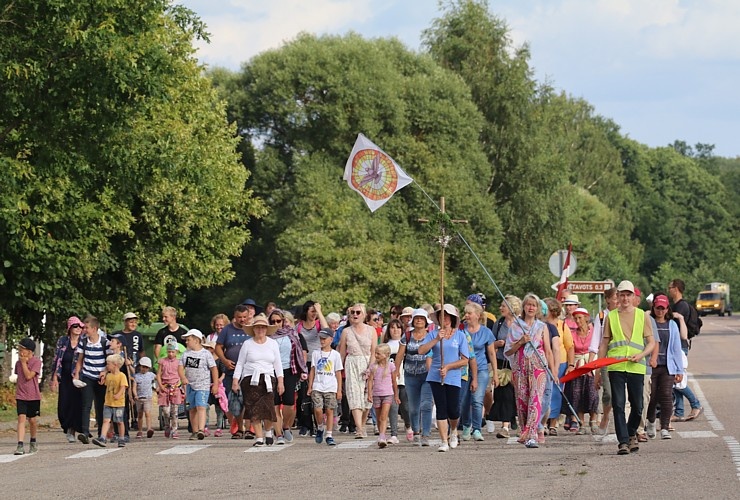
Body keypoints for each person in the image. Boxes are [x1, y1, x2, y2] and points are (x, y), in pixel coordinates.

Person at [596, 280, 656, 455]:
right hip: (616, 366)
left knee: (638, 406)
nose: (625, 298)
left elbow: (651, 342)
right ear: (617, 297)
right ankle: (623, 441)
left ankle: (630, 434)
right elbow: (604, 343)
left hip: (636, 365)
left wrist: (642, 355)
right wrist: (598, 370)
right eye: (621, 295)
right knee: (619, 404)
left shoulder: (642, 315)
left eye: (628, 295)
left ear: (633, 297)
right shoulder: (611, 316)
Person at [419, 304, 470, 452]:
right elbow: (422, 350)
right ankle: (443, 440)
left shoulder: (460, 335)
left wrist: (448, 367)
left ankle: (453, 431)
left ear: (453, 318)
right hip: (435, 375)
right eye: (442, 316)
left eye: (447, 316)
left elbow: (465, 359)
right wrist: (436, 339)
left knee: (453, 409)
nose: (445, 319)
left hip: (453, 376)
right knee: (441, 408)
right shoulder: (433, 334)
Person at [505, 293, 553, 448]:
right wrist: (521, 342)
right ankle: (525, 431)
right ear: (524, 307)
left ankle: (532, 434)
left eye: (534, 305)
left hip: (538, 366)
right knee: (523, 401)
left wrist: (553, 370)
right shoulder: (516, 326)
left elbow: (548, 350)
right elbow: (508, 351)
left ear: (537, 308)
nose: (531, 307)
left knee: (536, 400)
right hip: (520, 368)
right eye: (528, 304)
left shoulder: (542, 327)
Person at [232, 314, 285, 447]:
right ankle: (259, 437)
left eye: (262, 327)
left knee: (268, 408)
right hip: (250, 379)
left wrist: (280, 381)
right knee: (254, 409)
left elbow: (278, 364)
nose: (260, 330)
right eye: (257, 327)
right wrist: (235, 380)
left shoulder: (272, 344)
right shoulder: (247, 344)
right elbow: (240, 363)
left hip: (268, 378)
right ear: (253, 329)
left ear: (266, 329)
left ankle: (268, 431)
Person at [646, 294, 686, 439]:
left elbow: (676, 349)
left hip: (668, 367)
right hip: (651, 365)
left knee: (666, 396)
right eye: (658, 308)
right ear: (653, 307)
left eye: (663, 308)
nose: (660, 311)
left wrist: (679, 369)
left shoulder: (672, 325)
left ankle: (664, 427)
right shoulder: (649, 322)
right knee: (652, 397)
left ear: (667, 308)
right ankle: (650, 422)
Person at [459, 301, 498, 442]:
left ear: (477, 315)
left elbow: (492, 353)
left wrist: (495, 372)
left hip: (481, 368)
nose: (466, 316)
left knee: (476, 399)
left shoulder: (486, 332)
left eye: (469, 313)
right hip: (463, 369)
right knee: (464, 400)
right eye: (466, 313)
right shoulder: (461, 330)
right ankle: (465, 426)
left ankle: (477, 429)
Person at [395, 308, 434, 446]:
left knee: (426, 404)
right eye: (417, 318)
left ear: (426, 322)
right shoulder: (407, 335)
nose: (419, 320)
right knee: (413, 407)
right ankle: (416, 431)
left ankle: (426, 434)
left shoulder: (431, 335)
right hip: (410, 374)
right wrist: (397, 370)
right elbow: (400, 354)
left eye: (422, 318)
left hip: (427, 374)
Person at [268, 308, 308, 444]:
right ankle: (278, 434)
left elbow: (300, 352)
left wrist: (303, 369)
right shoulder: (267, 337)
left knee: (289, 403)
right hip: (271, 371)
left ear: (283, 321)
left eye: (278, 321)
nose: (275, 323)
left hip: (289, 370)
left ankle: (286, 426)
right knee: (274, 403)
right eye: (272, 321)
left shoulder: (291, 334)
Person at [338, 303, 377, 439]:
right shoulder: (346, 332)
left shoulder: (371, 330)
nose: (355, 315)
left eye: (358, 312)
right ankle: (359, 428)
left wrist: (370, 368)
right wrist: (338, 372)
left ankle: (362, 423)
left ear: (364, 315)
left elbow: (374, 352)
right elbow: (342, 354)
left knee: (367, 398)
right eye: (353, 312)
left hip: (367, 362)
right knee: (354, 395)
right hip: (352, 363)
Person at [668, 279, 704, 421]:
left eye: (670, 287)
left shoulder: (680, 307)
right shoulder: (678, 305)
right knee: (675, 379)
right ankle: (679, 412)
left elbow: (676, 329)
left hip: (679, 346)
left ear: (676, 289)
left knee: (677, 379)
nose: (669, 289)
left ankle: (696, 404)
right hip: (678, 345)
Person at [215, 304, 251, 438]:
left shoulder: (251, 329)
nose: (242, 320)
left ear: (248, 317)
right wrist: (224, 360)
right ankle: (239, 428)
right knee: (234, 402)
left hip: (248, 371)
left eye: (244, 317)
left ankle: (249, 429)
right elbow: (218, 347)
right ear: (234, 317)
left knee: (249, 400)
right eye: (239, 317)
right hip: (231, 371)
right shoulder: (227, 330)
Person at [295, 301, 329, 436]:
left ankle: (318, 423)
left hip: (318, 362)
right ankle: (305, 424)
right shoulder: (298, 327)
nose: (314, 313)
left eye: (315, 311)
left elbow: (327, 331)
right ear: (306, 312)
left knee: (317, 393)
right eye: (312, 311)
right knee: (304, 394)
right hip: (304, 363)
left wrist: (319, 311)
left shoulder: (319, 325)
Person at [73, 315, 109, 444]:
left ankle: (101, 433)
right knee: (86, 404)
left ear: (94, 328)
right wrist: (77, 374)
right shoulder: (83, 342)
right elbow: (80, 359)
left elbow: (108, 360)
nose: (84, 330)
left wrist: (105, 372)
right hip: (87, 376)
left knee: (100, 405)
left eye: (86, 327)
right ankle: (85, 432)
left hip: (100, 377)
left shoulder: (105, 342)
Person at [179, 329, 219, 440]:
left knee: (201, 406)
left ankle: (201, 429)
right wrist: (183, 377)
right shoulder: (185, 354)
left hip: (203, 385)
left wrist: (215, 384)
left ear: (197, 340)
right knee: (192, 409)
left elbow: (214, 369)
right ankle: (194, 430)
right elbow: (180, 367)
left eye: (188, 340)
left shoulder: (206, 354)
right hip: (190, 385)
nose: (186, 342)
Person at [490, 296, 521, 438]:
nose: (501, 308)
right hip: (502, 362)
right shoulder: (499, 323)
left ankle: (517, 420)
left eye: (504, 306)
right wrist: (497, 344)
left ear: (512, 307)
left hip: (518, 362)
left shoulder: (521, 324)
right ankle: (505, 426)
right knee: (504, 394)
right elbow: (491, 344)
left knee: (518, 393)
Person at [50, 316, 85, 443]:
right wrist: (54, 377)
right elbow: (57, 360)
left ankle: (73, 430)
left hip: (78, 377)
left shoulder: (84, 341)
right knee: (64, 404)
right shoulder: (63, 341)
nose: (78, 329)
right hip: (64, 378)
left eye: (80, 326)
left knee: (77, 404)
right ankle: (67, 426)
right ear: (70, 328)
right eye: (76, 326)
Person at [589, 286, 618, 435]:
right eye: (614, 298)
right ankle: (605, 417)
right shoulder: (601, 317)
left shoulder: (623, 315)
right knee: (609, 394)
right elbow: (595, 344)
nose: (617, 301)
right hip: (606, 360)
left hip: (622, 359)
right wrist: (592, 368)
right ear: (607, 300)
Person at [308, 328, 344, 446]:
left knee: (329, 410)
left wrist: (339, 389)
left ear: (331, 339)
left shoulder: (335, 355)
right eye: (321, 338)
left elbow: (338, 373)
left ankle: (329, 434)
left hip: (331, 386)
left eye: (324, 338)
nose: (322, 341)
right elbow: (312, 370)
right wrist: (310, 386)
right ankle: (319, 427)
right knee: (318, 409)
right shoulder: (316, 353)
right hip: (318, 385)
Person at [566, 308, 599, 434]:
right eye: (576, 318)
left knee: (592, 394)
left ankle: (593, 421)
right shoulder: (572, 334)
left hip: (591, 365)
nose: (578, 321)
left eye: (580, 318)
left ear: (586, 318)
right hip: (578, 365)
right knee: (577, 395)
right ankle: (581, 424)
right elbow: (571, 349)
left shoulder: (594, 332)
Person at [366, 343, 399, 448]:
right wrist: (370, 393)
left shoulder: (391, 366)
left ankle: (382, 436)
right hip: (377, 394)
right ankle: (382, 434)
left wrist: (396, 395)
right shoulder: (373, 367)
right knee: (379, 417)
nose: (376, 355)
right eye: (375, 353)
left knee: (384, 416)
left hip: (388, 394)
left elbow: (394, 381)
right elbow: (370, 380)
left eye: (378, 354)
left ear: (386, 354)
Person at [383, 318, 411, 442]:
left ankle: (408, 425)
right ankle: (394, 433)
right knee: (393, 407)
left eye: (398, 327)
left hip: (404, 379)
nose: (395, 330)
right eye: (392, 327)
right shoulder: (385, 346)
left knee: (405, 406)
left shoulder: (405, 343)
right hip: (390, 381)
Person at [92, 355, 128, 448]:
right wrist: (102, 381)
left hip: (119, 404)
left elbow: (123, 387)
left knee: (119, 421)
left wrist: (119, 394)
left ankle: (121, 438)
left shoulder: (122, 376)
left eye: (108, 364)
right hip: (108, 403)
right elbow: (107, 384)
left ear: (115, 365)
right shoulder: (109, 375)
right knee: (106, 420)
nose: (107, 366)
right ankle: (102, 438)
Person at [14, 337, 41, 456]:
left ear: (30, 351)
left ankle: (33, 441)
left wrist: (24, 363)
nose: (20, 352)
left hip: (33, 396)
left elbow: (29, 376)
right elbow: (19, 376)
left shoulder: (36, 362)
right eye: (19, 349)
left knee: (32, 420)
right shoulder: (17, 363)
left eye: (23, 350)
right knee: (21, 418)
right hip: (21, 395)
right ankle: (20, 444)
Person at [157, 343, 184, 439]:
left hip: (175, 387)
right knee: (166, 411)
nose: (171, 354)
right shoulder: (162, 361)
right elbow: (158, 375)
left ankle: (175, 429)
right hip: (165, 387)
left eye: (173, 352)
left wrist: (182, 386)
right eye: (169, 351)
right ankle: (167, 425)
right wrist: (160, 386)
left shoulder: (179, 362)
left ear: (176, 352)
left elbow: (182, 375)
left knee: (174, 411)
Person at [132, 357, 156, 439]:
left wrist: (159, 387)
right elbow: (134, 387)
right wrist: (135, 395)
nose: (144, 369)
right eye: (143, 367)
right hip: (139, 398)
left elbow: (158, 379)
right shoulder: (137, 376)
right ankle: (140, 430)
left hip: (147, 398)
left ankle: (149, 428)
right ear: (140, 366)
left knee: (147, 413)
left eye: (146, 367)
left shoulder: (151, 375)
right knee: (140, 415)